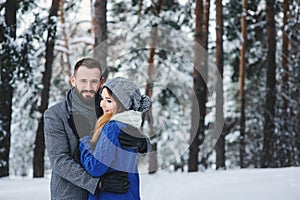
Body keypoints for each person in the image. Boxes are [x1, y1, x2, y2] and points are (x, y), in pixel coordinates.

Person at [44, 58, 150, 200]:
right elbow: (60, 161)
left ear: (101, 82)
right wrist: (98, 183)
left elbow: (129, 129)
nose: (88, 86)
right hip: (70, 194)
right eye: (83, 81)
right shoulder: (55, 115)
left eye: (93, 81)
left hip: (108, 194)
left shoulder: (108, 110)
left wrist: (143, 143)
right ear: (73, 81)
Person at [79, 77, 151, 200]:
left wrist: (84, 141)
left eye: (108, 101)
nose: (102, 104)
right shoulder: (131, 127)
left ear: (122, 104)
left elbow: (96, 168)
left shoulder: (112, 128)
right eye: (102, 99)